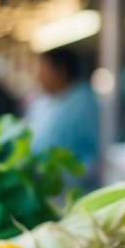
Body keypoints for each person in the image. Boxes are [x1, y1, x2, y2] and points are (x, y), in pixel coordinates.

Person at [26, 48, 99, 180]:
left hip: (70, 185)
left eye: (43, 71)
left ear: (61, 71)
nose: (38, 77)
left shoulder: (83, 102)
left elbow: (94, 153)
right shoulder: (44, 100)